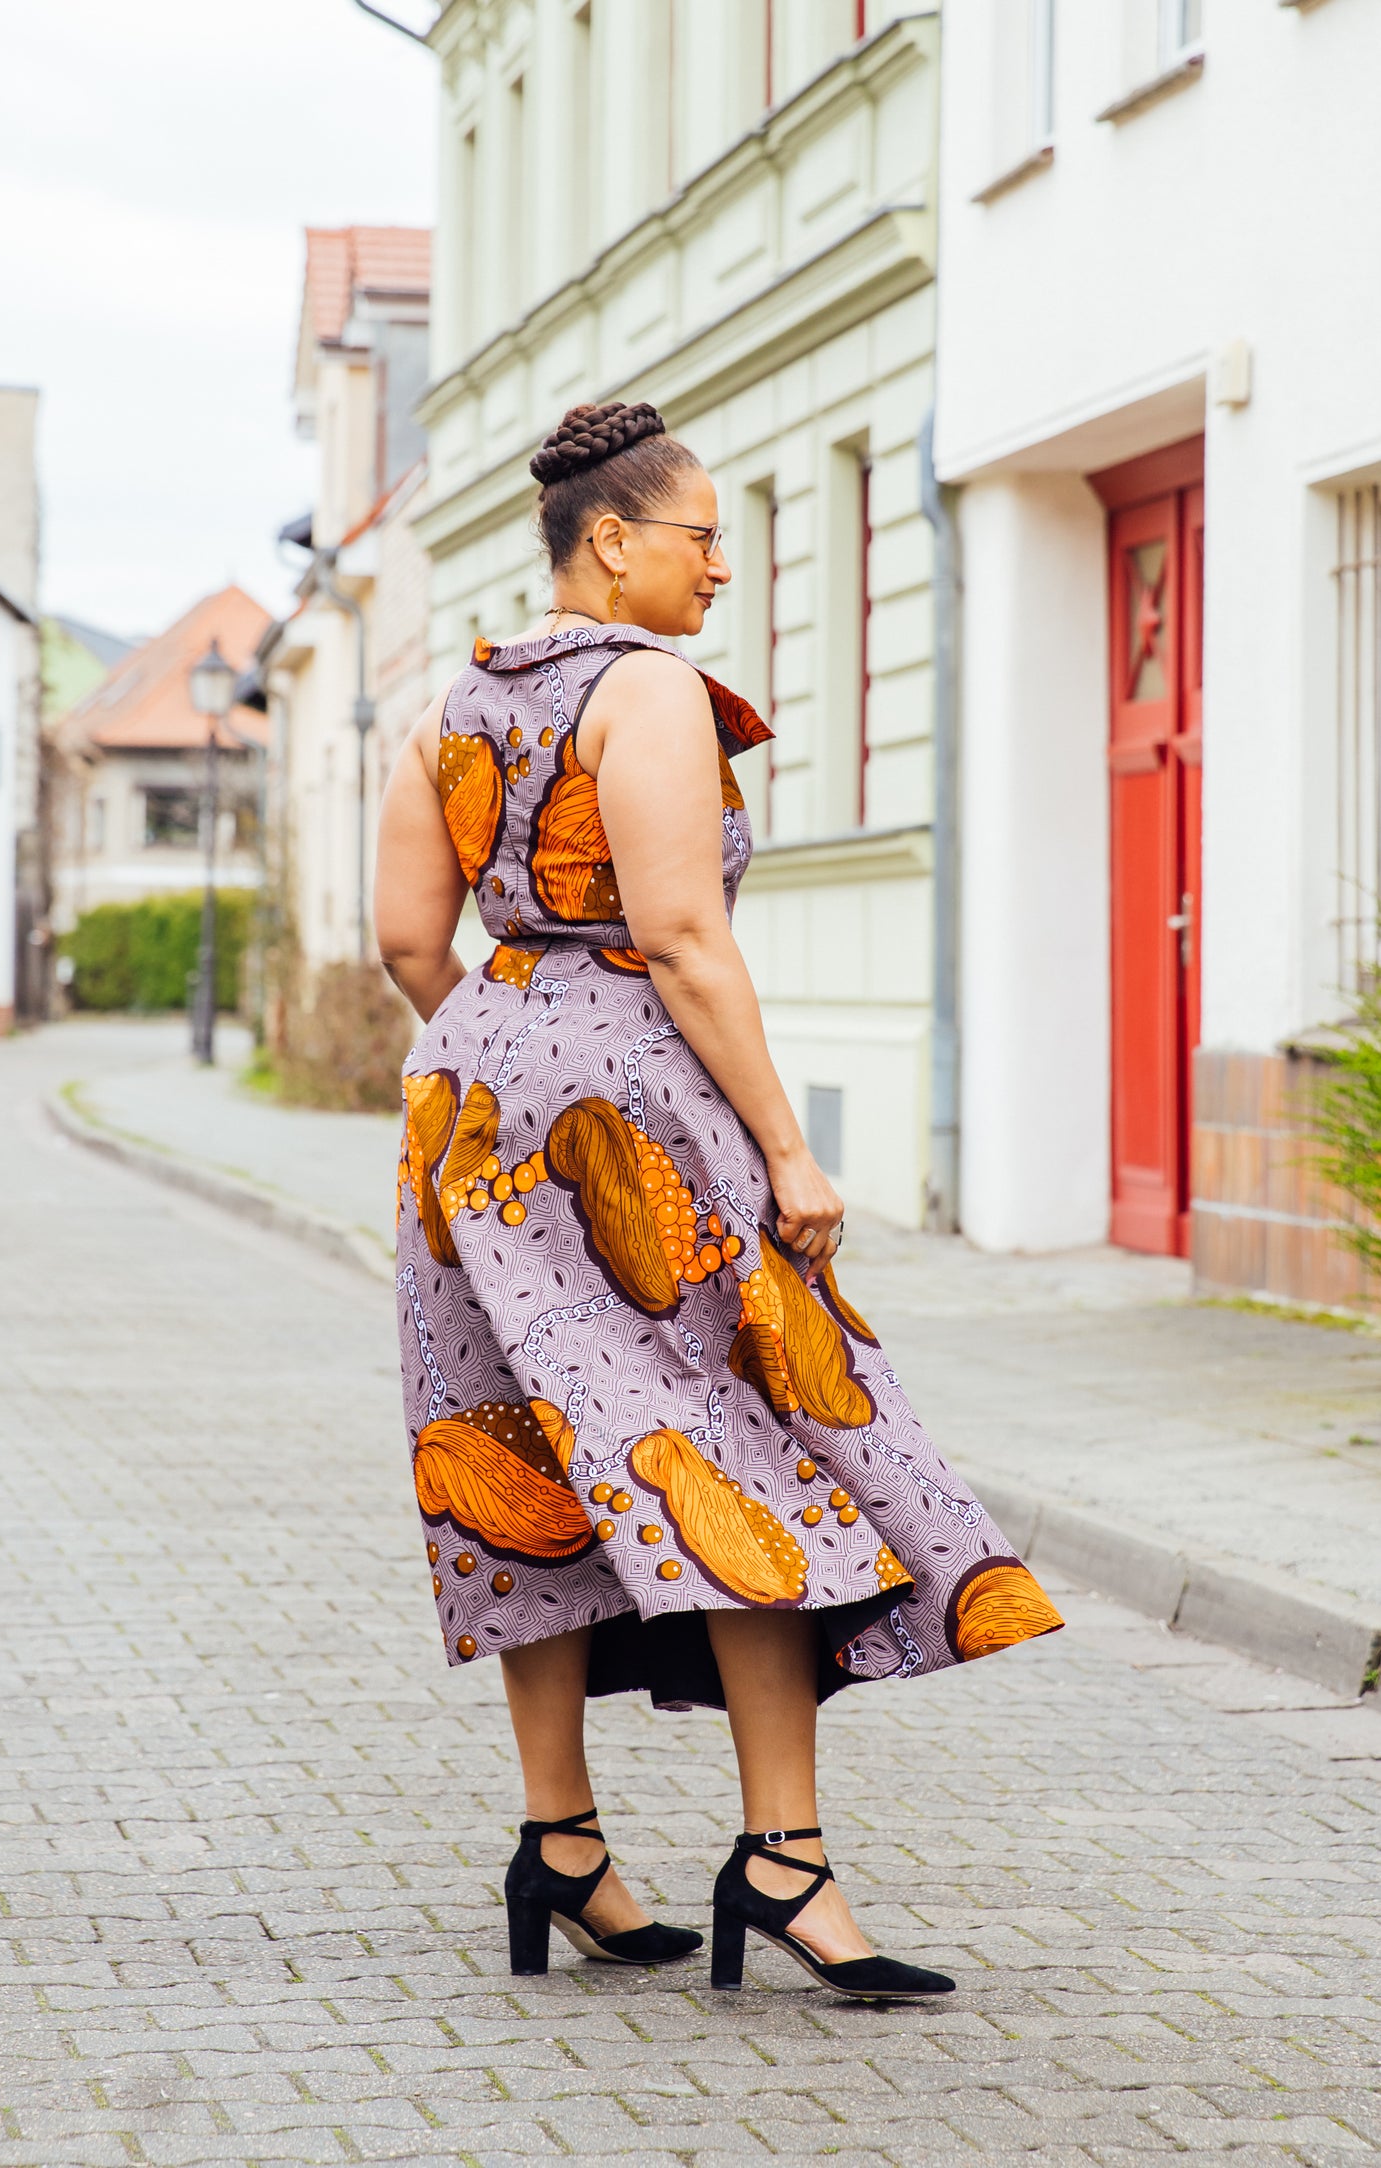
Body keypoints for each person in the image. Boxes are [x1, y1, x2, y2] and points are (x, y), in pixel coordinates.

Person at [374, 399, 1062, 2001]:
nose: (720, 575)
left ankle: (563, 1845)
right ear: (610, 542)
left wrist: (504, 1061)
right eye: (701, 540)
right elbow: (682, 935)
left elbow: (413, 943)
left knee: (514, 1459)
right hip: (641, 1114)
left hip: (465, 1109)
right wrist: (791, 1152)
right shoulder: (648, 692)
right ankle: (783, 1860)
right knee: (753, 1449)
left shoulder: (449, 703)